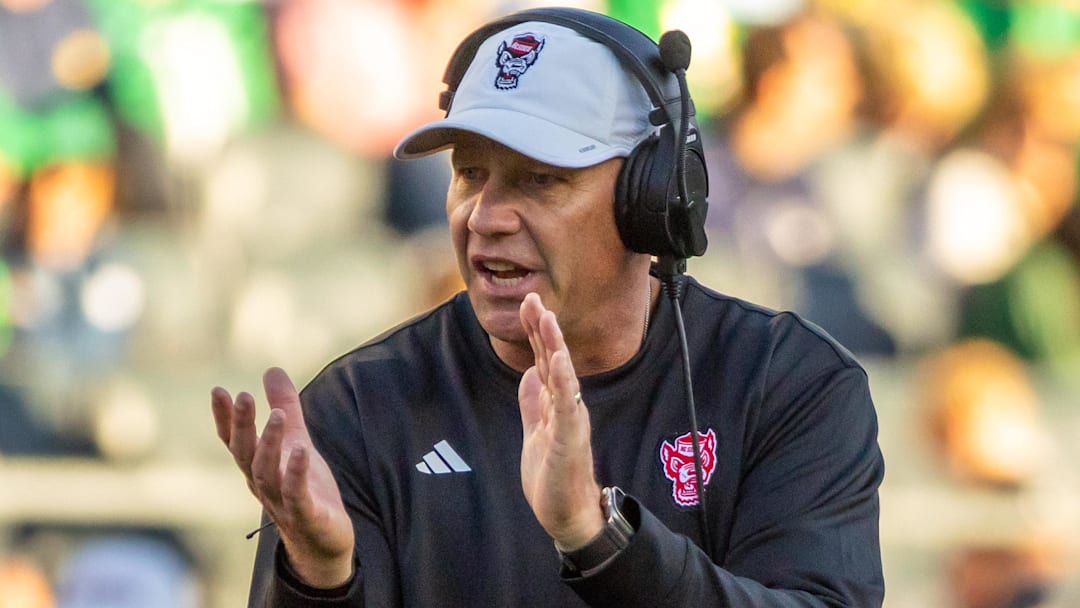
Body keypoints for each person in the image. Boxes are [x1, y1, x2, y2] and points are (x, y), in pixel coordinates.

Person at [210, 7, 885, 607]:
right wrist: (323, 579)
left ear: (651, 201)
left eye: (541, 178)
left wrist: (600, 540)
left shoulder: (789, 385)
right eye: (470, 173)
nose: (486, 217)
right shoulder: (360, 406)